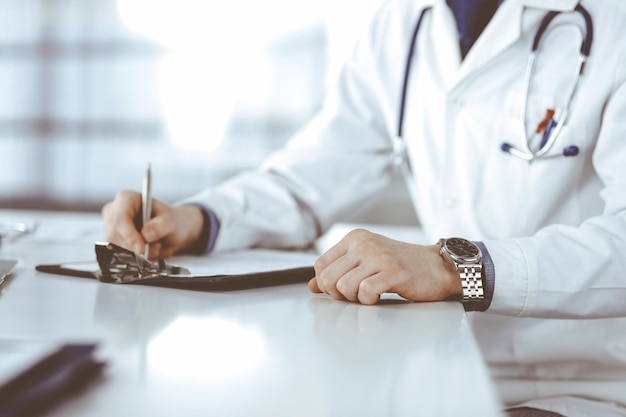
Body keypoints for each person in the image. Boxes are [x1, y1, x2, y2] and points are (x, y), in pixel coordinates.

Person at [103, 0, 626, 416]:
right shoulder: (404, 22)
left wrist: (455, 267)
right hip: (444, 363)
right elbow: (315, 172)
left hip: (577, 385)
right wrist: (198, 219)